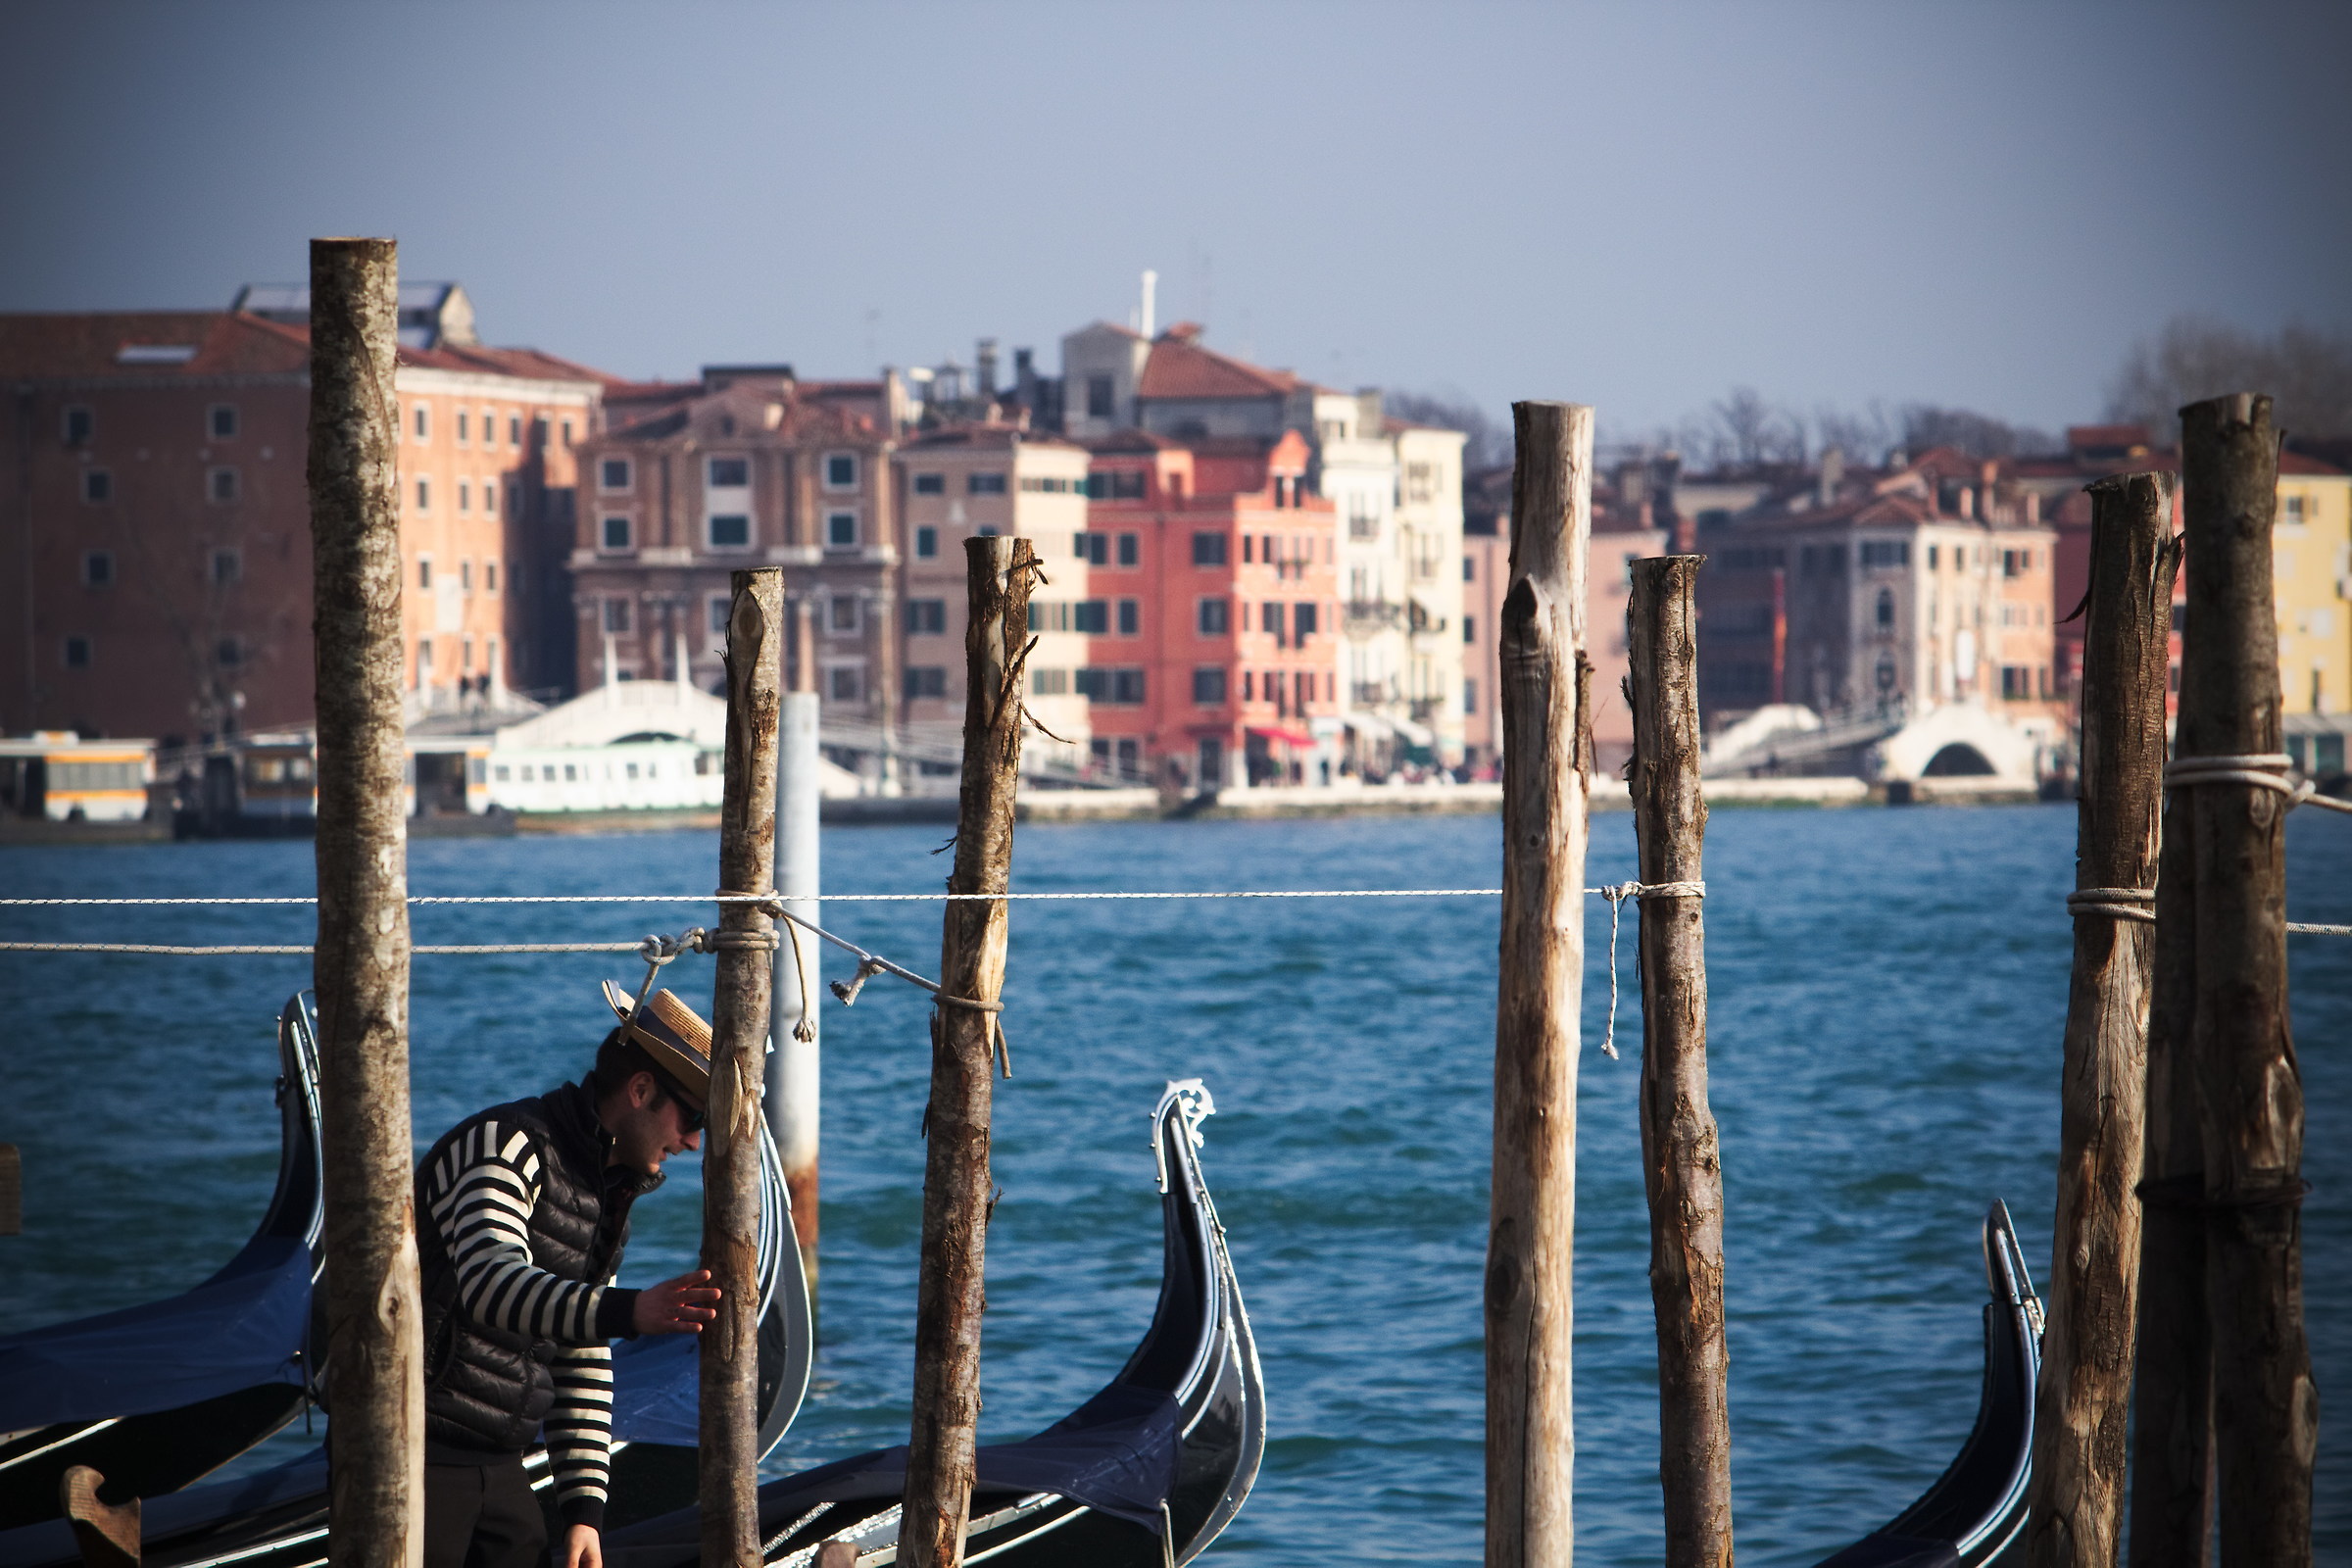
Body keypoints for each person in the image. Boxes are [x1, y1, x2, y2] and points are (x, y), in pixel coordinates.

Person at [411, 982, 723, 1568]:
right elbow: (489, 1283)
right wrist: (631, 1311)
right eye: (692, 1116)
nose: (693, 1141)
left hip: (498, 1463)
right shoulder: (503, 1144)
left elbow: (578, 1349)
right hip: (412, 1452)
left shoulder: (605, 1193)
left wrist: (583, 1512)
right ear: (640, 1089)